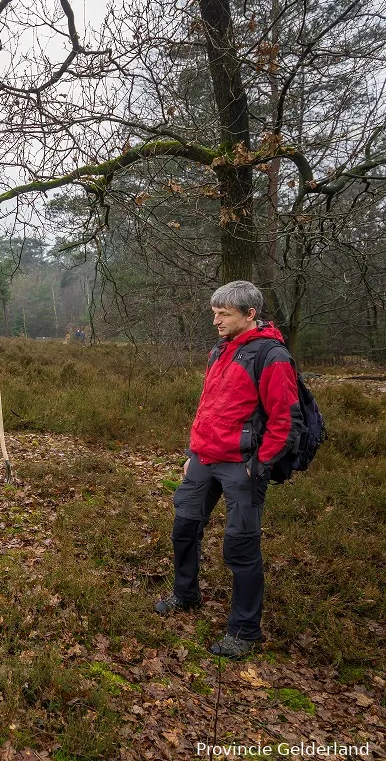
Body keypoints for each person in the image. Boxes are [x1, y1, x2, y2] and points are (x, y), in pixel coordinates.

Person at [155, 280, 301, 660]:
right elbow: (208, 407)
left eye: (224, 314)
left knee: (240, 547)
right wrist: (193, 452)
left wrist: (259, 466)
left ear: (250, 314)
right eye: (214, 312)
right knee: (184, 528)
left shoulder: (272, 356)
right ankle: (186, 595)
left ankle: (244, 630)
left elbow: (286, 421)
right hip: (204, 459)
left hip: (242, 467)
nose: (216, 320)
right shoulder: (219, 351)